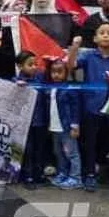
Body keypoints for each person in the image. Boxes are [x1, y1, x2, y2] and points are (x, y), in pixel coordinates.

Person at [67, 25, 109, 196]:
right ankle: (89, 175)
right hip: (91, 107)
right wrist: (74, 47)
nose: (106, 36)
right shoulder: (88, 57)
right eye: (102, 33)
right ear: (95, 38)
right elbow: (71, 66)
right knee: (90, 142)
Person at [13, 50, 48, 189]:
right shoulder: (15, 81)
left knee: (40, 148)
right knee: (28, 150)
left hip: (41, 120)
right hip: (25, 122)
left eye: (35, 64)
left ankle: (38, 174)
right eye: (30, 64)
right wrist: (17, 88)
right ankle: (27, 176)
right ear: (20, 66)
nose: (34, 67)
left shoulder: (41, 78)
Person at [45, 58, 82, 190]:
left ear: (66, 73)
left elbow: (76, 108)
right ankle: (63, 173)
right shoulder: (49, 88)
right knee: (58, 152)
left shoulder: (70, 88)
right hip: (54, 126)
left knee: (71, 153)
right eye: (53, 71)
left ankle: (76, 178)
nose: (56, 74)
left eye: (59, 71)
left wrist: (75, 125)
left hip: (66, 126)